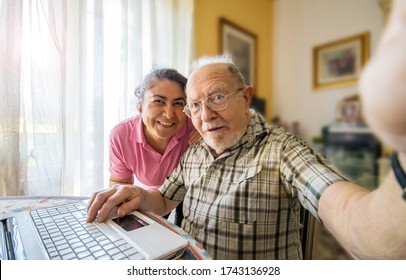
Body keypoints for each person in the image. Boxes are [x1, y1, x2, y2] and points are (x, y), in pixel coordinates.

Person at [88, 7, 406, 258]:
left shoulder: (282, 151)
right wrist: (138, 195)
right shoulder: (194, 153)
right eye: (195, 105)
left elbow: (355, 218)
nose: (205, 115)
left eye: (217, 97)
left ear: (246, 97)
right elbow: (162, 200)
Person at [107, 68, 198, 227]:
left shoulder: (195, 127)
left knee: (184, 231)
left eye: (178, 103)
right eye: (158, 101)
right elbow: (121, 183)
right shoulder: (121, 135)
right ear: (140, 104)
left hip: (190, 193)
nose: (169, 114)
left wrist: (208, 131)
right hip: (152, 194)